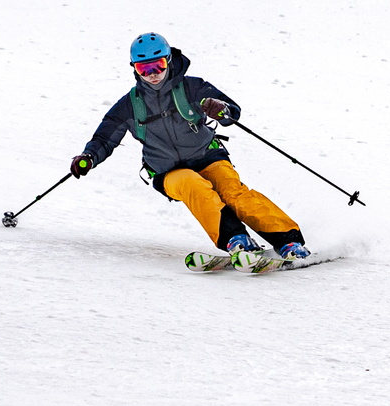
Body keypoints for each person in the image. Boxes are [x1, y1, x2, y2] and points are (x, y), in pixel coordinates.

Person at [71, 32, 309, 262]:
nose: (153, 74)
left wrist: (220, 108)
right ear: (134, 68)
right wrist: (88, 157)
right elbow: (104, 138)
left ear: (169, 60)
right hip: (168, 172)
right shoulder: (129, 105)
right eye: (144, 69)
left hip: (208, 157)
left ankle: (288, 240)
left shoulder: (192, 88)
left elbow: (231, 112)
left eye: (158, 65)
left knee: (232, 192)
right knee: (192, 184)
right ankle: (236, 240)